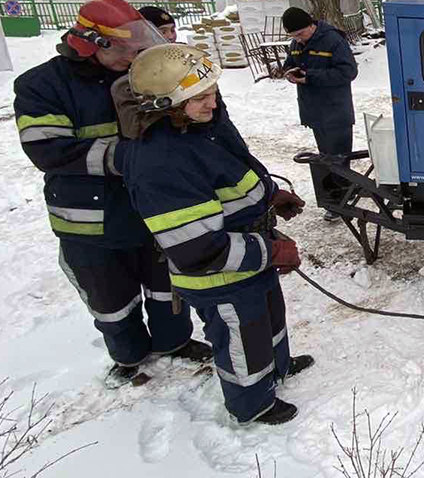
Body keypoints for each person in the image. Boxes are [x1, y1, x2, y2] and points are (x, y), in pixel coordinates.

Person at [13, 0, 212, 385]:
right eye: (124, 49)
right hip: (90, 219)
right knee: (111, 298)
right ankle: (128, 357)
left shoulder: (139, 74)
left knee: (166, 284)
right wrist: (125, 157)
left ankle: (174, 341)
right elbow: (46, 149)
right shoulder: (41, 85)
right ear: (91, 43)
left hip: (148, 207)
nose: (133, 56)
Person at [121, 43, 314, 425]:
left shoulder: (201, 127)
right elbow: (198, 249)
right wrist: (273, 252)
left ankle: (276, 368)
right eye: (200, 98)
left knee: (268, 319)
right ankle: (252, 404)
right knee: (242, 338)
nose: (213, 103)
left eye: (213, 92)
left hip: (249, 258)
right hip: (220, 276)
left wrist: (270, 196)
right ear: (165, 105)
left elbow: (235, 171)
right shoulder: (161, 163)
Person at [279, 7, 358, 157]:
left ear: (311, 25)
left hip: (335, 113)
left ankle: (341, 174)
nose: (298, 39)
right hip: (314, 112)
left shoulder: (333, 40)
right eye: (293, 36)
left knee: (339, 161)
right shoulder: (296, 43)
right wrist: (290, 72)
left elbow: (348, 72)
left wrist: (310, 77)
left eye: (300, 34)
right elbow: (290, 63)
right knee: (325, 158)